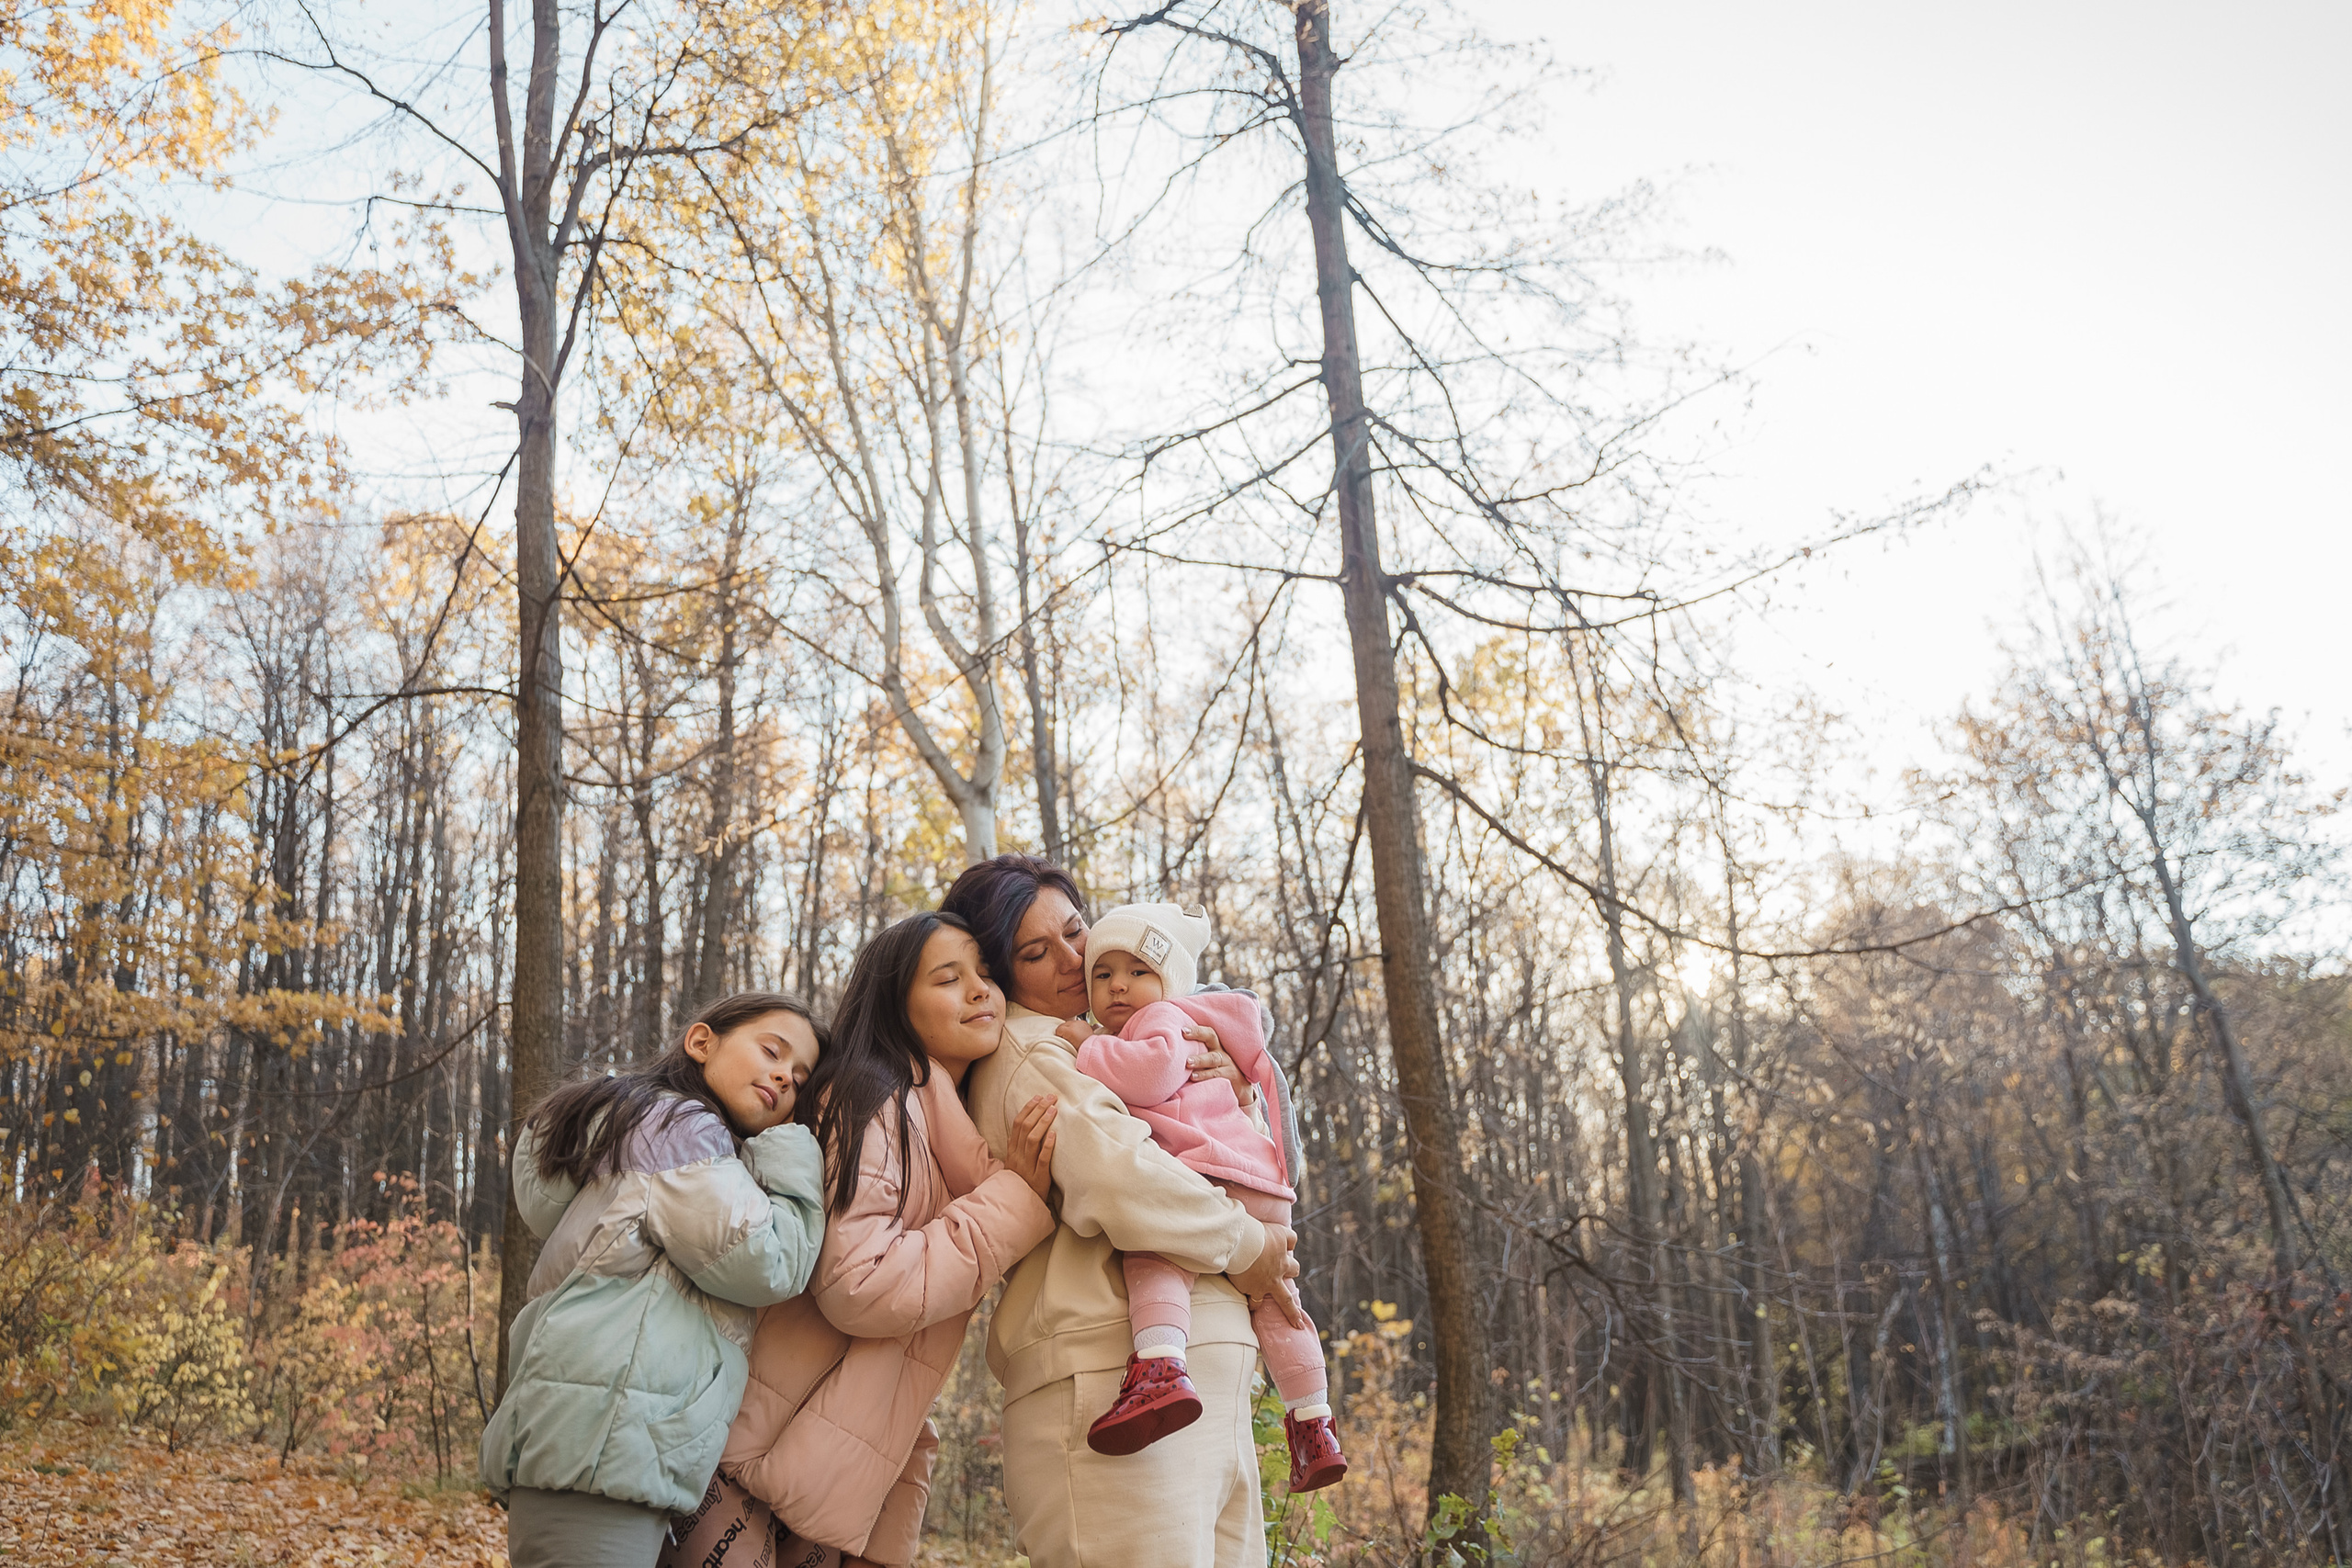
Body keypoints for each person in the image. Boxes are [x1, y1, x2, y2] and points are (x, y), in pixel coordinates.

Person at [665, 911, 1061, 1568]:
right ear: (895, 1004)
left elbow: (903, 1364)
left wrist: (894, 1517)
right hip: (743, 1460)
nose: (979, 989)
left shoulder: (944, 1130)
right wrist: (1011, 1201)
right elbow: (859, 1284)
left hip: (825, 1485)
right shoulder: (872, 1096)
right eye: (948, 976)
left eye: (986, 974)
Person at [942, 855, 1306, 1568]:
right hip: (1106, 1373)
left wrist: (1235, 1092)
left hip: (1201, 1375)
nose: (1076, 961)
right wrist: (1246, 1243)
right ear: (997, 971)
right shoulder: (1032, 1048)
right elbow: (1119, 1176)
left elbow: (1231, 1159)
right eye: (1035, 952)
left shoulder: (1128, 1042)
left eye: (1077, 931)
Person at [480, 991, 830, 1568]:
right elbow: (768, 1260)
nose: (784, 1078)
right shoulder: (679, 1132)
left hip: (594, 1445)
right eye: (772, 1051)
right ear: (701, 1042)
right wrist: (795, 1150)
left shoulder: (646, 1131)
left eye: (799, 1076)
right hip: (601, 1452)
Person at [1058, 902, 1347, 1491]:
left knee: (1156, 1248)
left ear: (1169, 981)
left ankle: (1160, 1364)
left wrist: (1087, 1046)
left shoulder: (1162, 1020)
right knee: (1279, 1303)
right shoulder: (1187, 1025)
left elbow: (1154, 1075)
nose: (1118, 985)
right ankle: (1313, 1421)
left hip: (1212, 1172)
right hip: (1261, 1181)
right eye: (1103, 973)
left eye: (1138, 970)